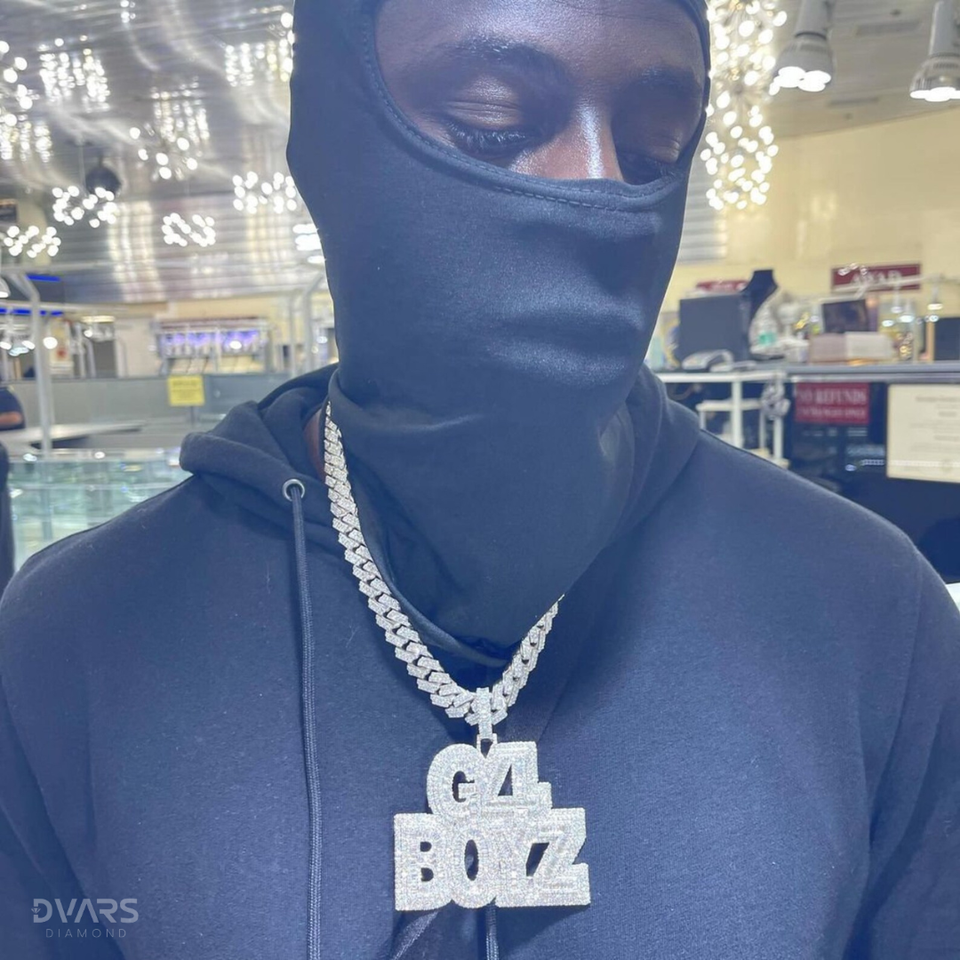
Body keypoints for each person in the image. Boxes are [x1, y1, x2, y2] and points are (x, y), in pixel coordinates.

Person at [1, 0, 958, 957]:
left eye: (655, 146)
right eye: (491, 120)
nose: (597, 185)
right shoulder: (74, 641)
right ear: (331, 137)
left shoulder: (868, 612)